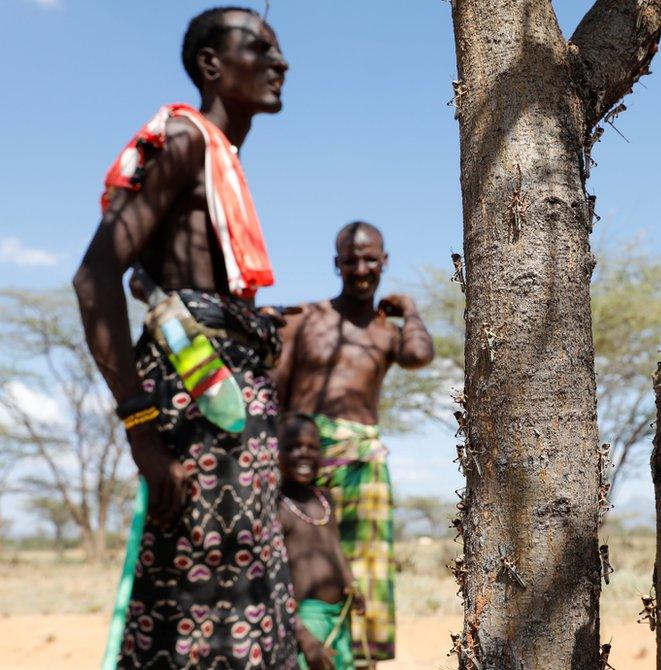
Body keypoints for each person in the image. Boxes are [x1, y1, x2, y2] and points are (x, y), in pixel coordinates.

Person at [73, 7, 297, 668]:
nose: (280, 63)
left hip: (229, 407)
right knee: (193, 596)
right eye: (260, 47)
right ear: (210, 65)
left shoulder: (221, 159)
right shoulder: (186, 140)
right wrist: (141, 429)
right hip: (193, 409)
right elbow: (95, 279)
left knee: (242, 586)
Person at [274, 221, 434, 665]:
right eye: (351, 260)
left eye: (370, 259)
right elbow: (276, 393)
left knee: (364, 573)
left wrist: (411, 310)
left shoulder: (388, 330)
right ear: (336, 264)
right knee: (300, 559)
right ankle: (299, 650)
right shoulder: (305, 319)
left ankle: (358, 659)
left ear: (384, 262)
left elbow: (420, 356)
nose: (360, 268)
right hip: (306, 457)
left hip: (364, 460)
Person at [278, 413, 364, 670]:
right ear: (276, 452)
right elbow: (275, 580)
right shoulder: (277, 505)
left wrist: (350, 583)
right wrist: (303, 636)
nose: (303, 454)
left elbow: (334, 547)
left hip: (339, 615)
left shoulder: (325, 498)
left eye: (312, 447)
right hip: (305, 621)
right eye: (292, 447)